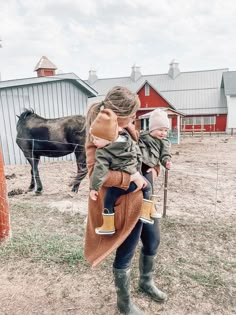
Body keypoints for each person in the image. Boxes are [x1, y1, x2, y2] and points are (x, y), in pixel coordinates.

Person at [84, 86, 167, 315]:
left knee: (153, 241)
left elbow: (139, 156)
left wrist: (153, 169)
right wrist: (130, 176)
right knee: (127, 252)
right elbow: (95, 175)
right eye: (132, 115)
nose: (135, 118)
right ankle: (124, 302)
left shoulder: (128, 128)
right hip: (124, 202)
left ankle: (146, 282)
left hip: (143, 198)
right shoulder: (97, 135)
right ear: (118, 115)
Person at [89, 107, 155, 236]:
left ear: (108, 139)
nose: (93, 141)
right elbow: (138, 155)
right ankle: (146, 213)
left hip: (126, 184)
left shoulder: (102, 152)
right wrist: (136, 172)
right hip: (138, 180)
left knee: (109, 199)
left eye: (96, 139)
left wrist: (94, 188)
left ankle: (108, 226)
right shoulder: (127, 141)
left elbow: (99, 170)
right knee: (148, 188)